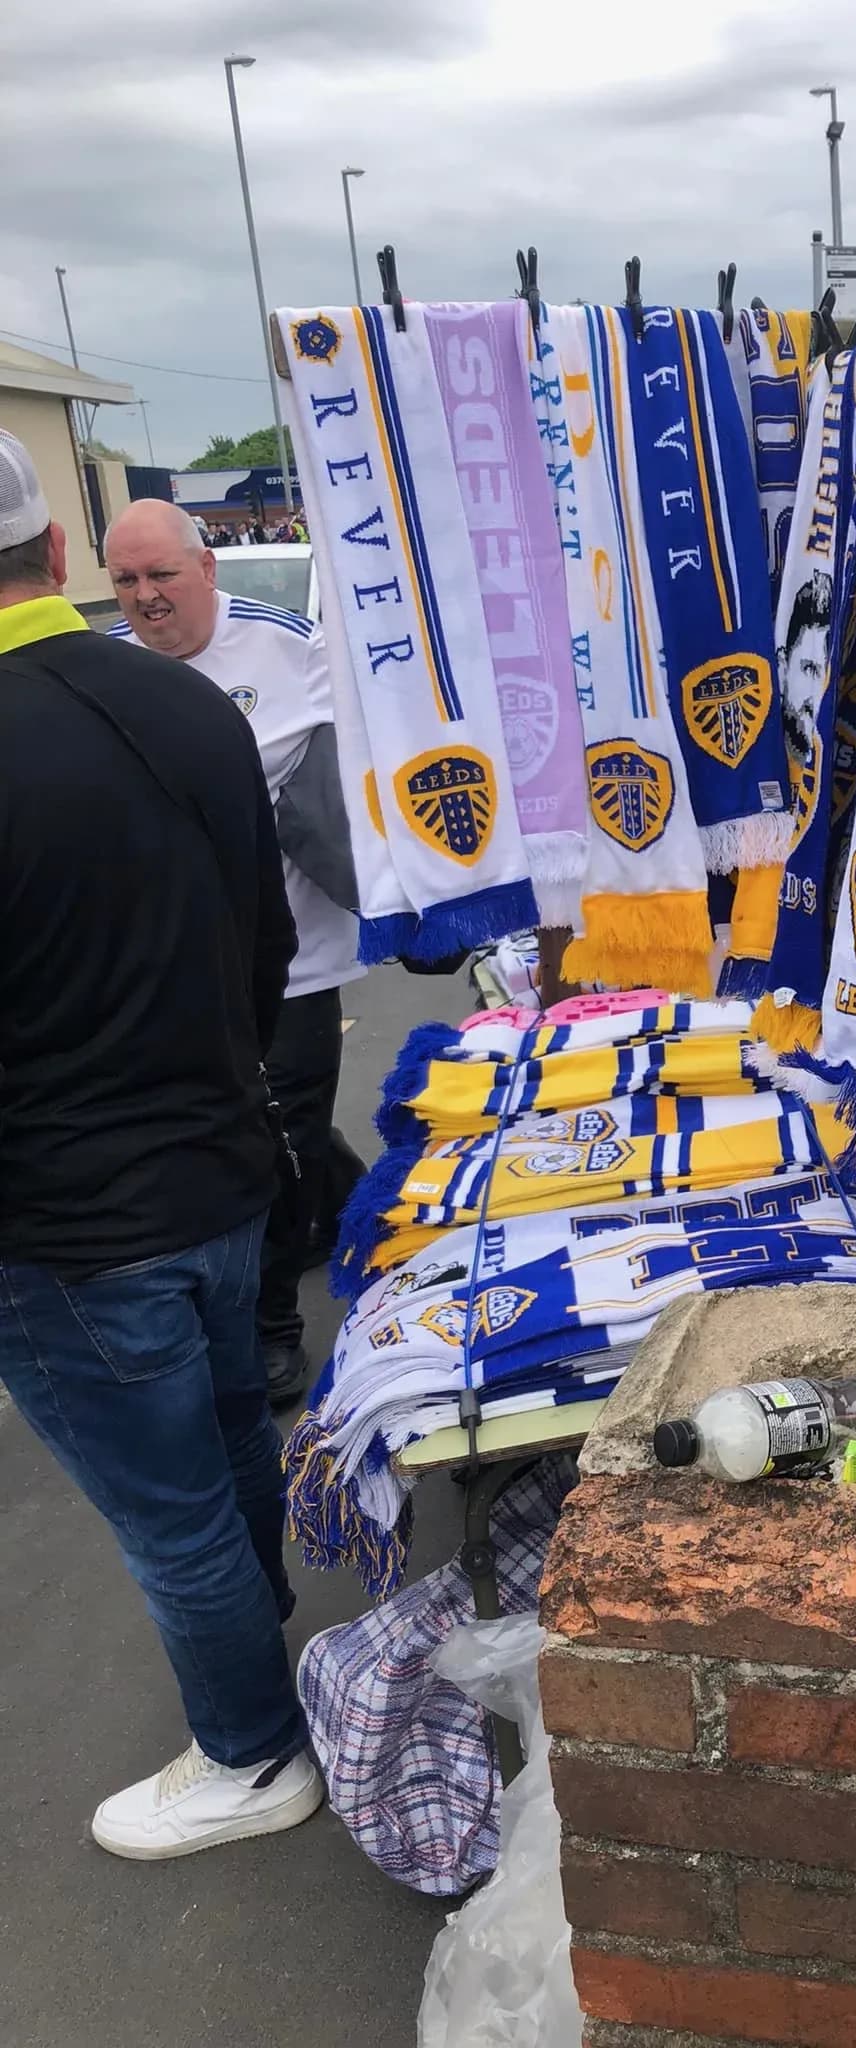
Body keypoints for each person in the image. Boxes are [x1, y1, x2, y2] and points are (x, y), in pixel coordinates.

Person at [0, 428, 322, 1857]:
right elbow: (266, 947)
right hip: (214, 1156)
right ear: (59, 556)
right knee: (233, 1433)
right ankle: (267, 1654)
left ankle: (253, 1752)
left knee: (169, 1504)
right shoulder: (190, 704)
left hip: (66, 1218)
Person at [105, 499, 363, 1408]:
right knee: (257, 1126)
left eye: (162, 576)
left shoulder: (294, 651)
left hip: (293, 957)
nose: (146, 598)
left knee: (276, 1129)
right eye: (127, 581)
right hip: (173, 966)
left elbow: (368, 768)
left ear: (205, 569)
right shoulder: (107, 671)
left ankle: (271, 1330)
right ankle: (364, 1206)